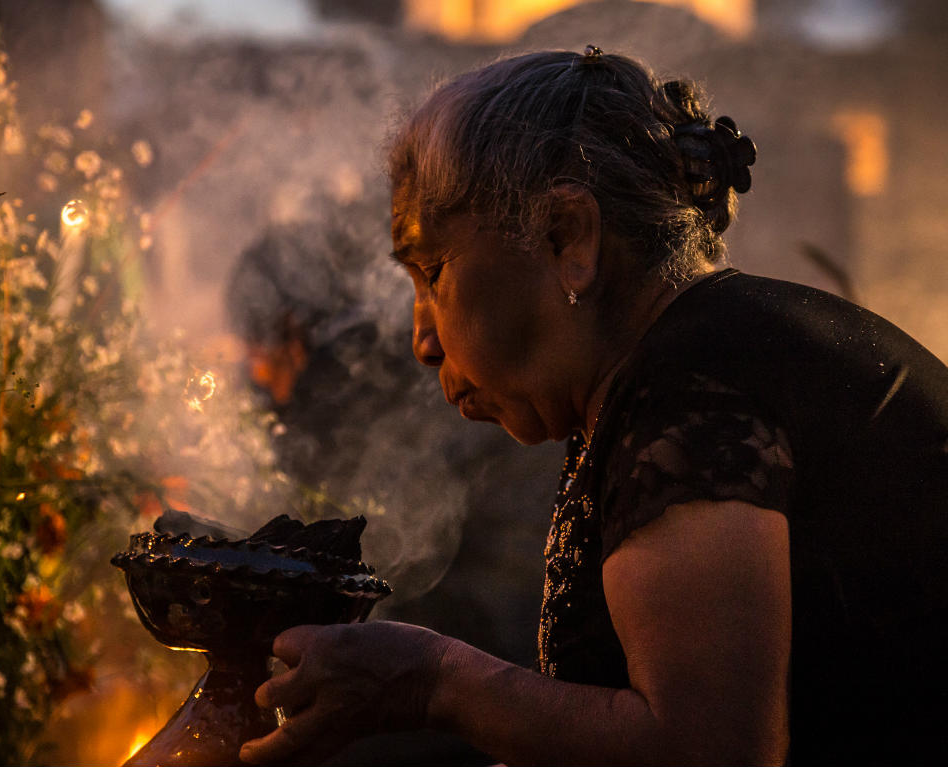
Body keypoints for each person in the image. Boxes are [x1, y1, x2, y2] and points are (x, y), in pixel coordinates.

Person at [239, 48, 948, 766]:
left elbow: (709, 749)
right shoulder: (699, 356)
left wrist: (433, 682)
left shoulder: (692, 384)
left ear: (567, 237)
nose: (423, 338)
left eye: (431, 272)